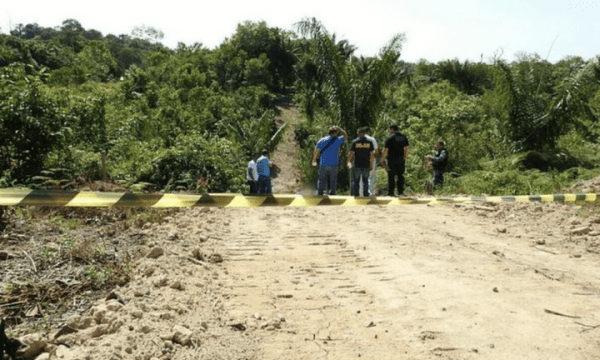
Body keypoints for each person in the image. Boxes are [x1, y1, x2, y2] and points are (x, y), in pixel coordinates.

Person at [311, 125, 347, 195]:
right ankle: (332, 194)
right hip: (334, 164)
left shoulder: (322, 140)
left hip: (323, 163)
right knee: (333, 180)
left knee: (321, 180)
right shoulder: (338, 140)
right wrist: (339, 128)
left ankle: (320, 193)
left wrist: (314, 161)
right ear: (336, 132)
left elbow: (316, 152)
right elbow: (345, 135)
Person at [381, 124, 410, 196]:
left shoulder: (390, 138)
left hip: (392, 159)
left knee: (391, 176)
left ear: (391, 129)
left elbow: (386, 150)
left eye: (389, 130)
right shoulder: (403, 137)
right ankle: (400, 192)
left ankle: (391, 192)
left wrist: (382, 159)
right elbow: (407, 148)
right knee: (400, 175)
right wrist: (405, 157)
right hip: (400, 159)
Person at [346, 127, 375, 196]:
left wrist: (348, 162)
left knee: (356, 180)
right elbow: (372, 154)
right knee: (365, 180)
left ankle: (356, 194)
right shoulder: (369, 142)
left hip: (357, 164)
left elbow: (351, 153)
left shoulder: (355, 142)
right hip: (366, 164)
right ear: (364, 133)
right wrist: (371, 164)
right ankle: (366, 194)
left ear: (358, 133)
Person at [364, 127, 379, 196]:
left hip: (360, 160)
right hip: (371, 159)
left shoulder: (357, 139)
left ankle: (361, 194)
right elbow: (376, 151)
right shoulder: (372, 139)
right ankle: (370, 193)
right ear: (368, 132)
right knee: (371, 177)